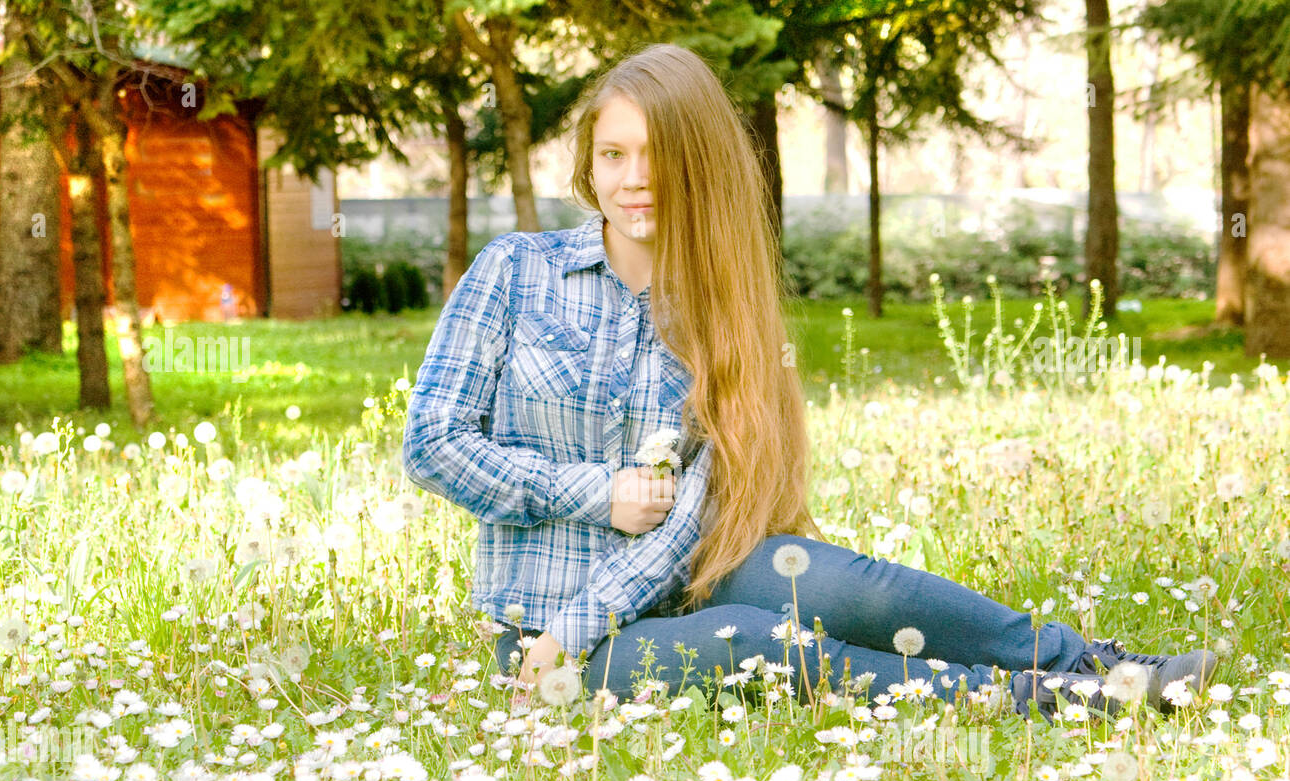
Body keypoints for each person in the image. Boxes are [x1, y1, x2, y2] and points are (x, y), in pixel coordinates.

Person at [402, 43, 1217, 724]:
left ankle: (1097, 662)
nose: (633, 179)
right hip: (546, 637)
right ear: (589, 163)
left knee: (850, 585)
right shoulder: (514, 273)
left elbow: (691, 515)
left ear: (699, 164)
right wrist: (592, 498)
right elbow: (433, 443)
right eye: (613, 154)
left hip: (677, 576)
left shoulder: (719, 311)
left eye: (659, 155)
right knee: (760, 642)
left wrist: (597, 593)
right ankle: (1051, 699)